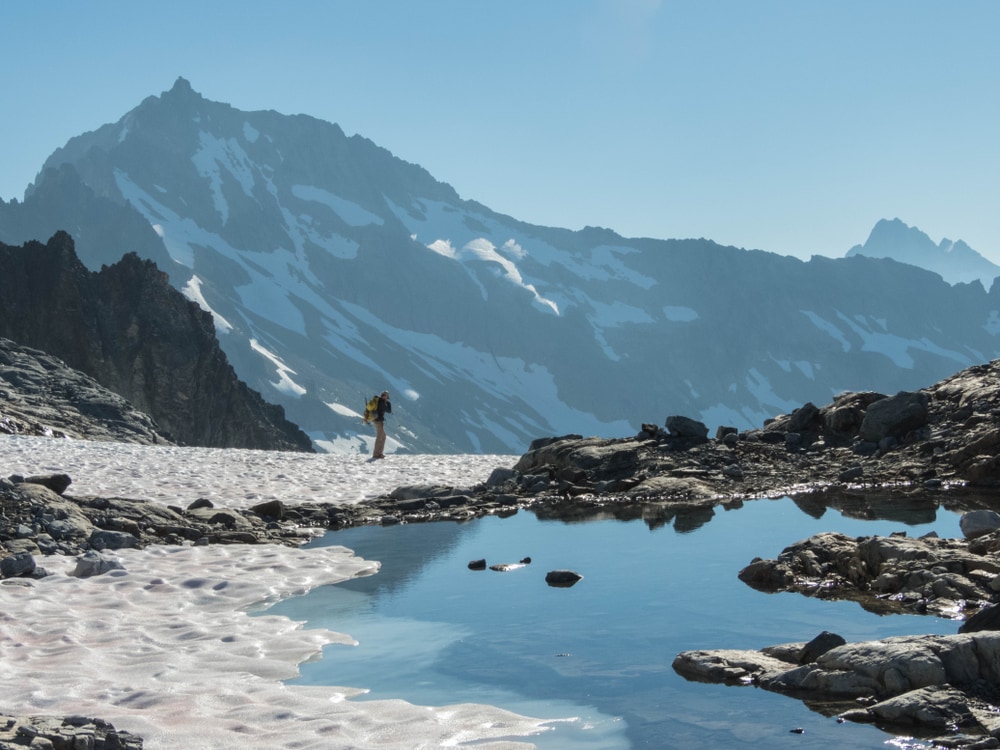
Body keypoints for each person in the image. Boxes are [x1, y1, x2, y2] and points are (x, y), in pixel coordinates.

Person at [372, 390, 391, 459]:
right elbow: (389, 410)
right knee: (380, 436)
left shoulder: (379, 401)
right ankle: (376, 454)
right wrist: (388, 403)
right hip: (378, 421)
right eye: (385, 395)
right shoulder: (382, 402)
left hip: (376, 420)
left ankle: (379, 453)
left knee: (383, 436)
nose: (385, 397)